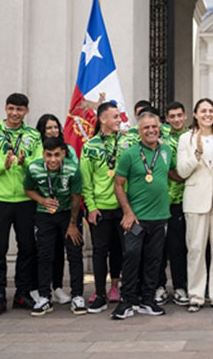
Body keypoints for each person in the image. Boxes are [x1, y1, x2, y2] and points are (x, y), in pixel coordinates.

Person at [0, 93, 42, 316]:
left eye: (20, 109)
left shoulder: (33, 135)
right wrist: (1, 166)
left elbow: (40, 163)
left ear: (26, 111)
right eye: (11, 108)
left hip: (25, 201)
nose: (15, 113)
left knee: (28, 248)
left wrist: (24, 163)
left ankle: (22, 294)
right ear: (5, 108)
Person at [111, 111, 174, 319]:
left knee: (154, 260)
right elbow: (118, 184)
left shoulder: (166, 151)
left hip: (160, 216)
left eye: (154, 127)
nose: (151, 130)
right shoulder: (130, 154)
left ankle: (148, 300)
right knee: (131, 257)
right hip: (136, 218)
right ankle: (126, 301)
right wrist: (127, 212)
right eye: (146, 127)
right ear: (139, 131)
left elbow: (173, 173)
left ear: (159, 128)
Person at [176, 98, 213, 312]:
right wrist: (199, 152)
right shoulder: (186, 138)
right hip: (196, 200)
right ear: (195, 114)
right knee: (195, 249)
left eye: (211, 110)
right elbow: (182, 171)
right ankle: (196, 296)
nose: (207, 114)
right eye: (203, 111)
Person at [81, 102, 134, 313]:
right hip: (100, 208)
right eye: (115, 117)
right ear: (103, 119)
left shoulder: (128, 141)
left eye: (119, 116)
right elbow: (86, 181)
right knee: (100, 251)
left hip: (123, 207)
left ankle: (118, 289)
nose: (120, 120)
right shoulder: (90, 146)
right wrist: (91, 207)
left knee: (123, 250)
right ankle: (100, 293)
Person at [23, 137, 85, 315]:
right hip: (44, 214)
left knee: (74, 253)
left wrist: (72, 224)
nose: (53, 159)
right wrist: (42, 200)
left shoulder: (73, 169)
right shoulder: (34, 168)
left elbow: (76, 198)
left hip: (68, 214)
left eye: (57, 155)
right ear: (43, 154)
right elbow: (28, 189)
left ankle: (77, 296)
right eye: (49, 155)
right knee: (44, 255)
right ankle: (44, 297)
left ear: (63, 154)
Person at [35, 113, 74, 306]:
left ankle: (57, 287)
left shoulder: (69, 150)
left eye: (56, 127)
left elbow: (74, 173)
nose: (53, 131)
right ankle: (40, 290)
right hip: (42, 209)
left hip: (64, 208)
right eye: (49, 128)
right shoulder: (37, 148)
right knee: (43, 251)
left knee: (59, 250)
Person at [156, 101, 189, 306]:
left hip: (184, 199)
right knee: (159, 246)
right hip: (161, 199)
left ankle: (179, 286)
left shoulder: (192, 137)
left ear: (185, 116)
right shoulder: (161, 140)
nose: (176, 119)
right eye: (172, 116)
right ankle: (159, 286)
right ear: (167, 119)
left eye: (179, 115)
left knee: (179, 246)